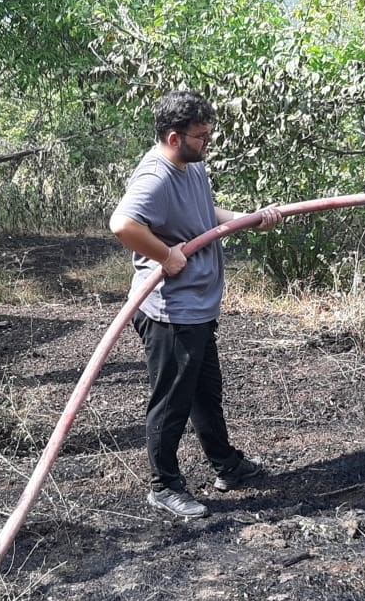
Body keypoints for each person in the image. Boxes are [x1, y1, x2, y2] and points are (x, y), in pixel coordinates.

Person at [110, 90, 283, 519]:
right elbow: (122, 223)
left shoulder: (189, 166)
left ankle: (227, 465)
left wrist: (248, 219)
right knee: (171, 401)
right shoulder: (156, 176)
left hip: (197, 307)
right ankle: (163, 486)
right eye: (200, 136)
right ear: (174, 137)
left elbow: (205, 213)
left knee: (206, 393)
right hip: (171, 312)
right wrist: (166, 255)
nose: (207, 142)